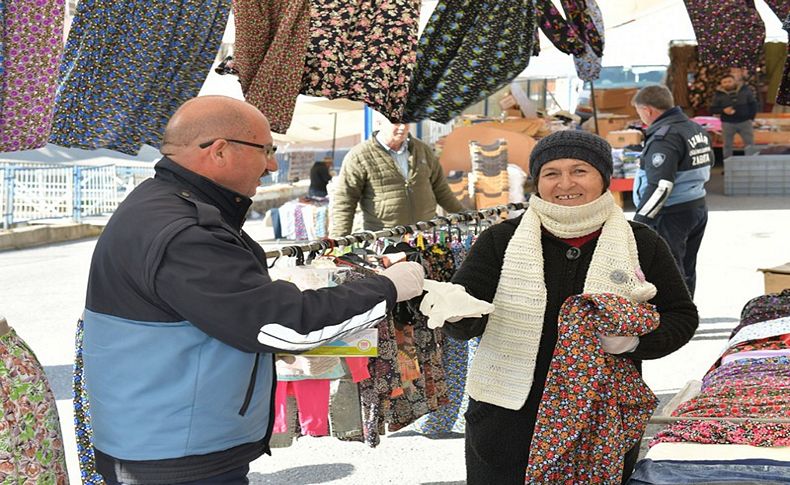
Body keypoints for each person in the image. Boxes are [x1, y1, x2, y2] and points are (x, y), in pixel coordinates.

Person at [80, 95, 425, 485]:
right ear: (220, 151)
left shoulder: (162, 204)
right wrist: (387, 288)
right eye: (266, 150)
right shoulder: (185, 233)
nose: (272, 164)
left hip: (167, 440)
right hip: (174, 454)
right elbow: (284, 324)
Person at [444, 130, 699, 484]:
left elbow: (681, 316)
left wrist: (636, 343)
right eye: (552, 173)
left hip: (601, 418)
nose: (565, 183)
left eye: (580, 170)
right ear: (538, 181)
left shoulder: (641, 242)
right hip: (508, 417)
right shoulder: (499, 240)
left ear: (603, 178)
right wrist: (454, 313)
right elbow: (465, 318)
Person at [631, 84, 713, 297]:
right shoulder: (695, 128)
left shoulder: (665, 136)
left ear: (648, 110)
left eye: (639, 112)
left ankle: (676, 322)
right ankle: (687, 316)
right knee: (686, 266)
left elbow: (661, 185)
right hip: (697, 207)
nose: (641, 117)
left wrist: (640, 222)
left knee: (668, 271)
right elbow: (709, 163)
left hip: (671, 212)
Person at [330, 120, 464, 237]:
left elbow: (442, 190)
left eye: (406, 122)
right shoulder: (359, 156)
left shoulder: (422, 150)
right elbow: (345, 201)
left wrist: (466, 217)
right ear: (379, 123)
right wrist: (338, 242)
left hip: (425, 234)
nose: (403, 127)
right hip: (384, 238)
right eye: (396, 122)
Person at [710, 71, 757, 160]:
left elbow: (753, 104)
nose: (727, 84)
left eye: (729, 81)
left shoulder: (745, 90)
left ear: (734, 81)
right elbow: (712, 109)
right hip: (728, 123)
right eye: (725, 82)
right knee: (727, 145)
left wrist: (751, 118)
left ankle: (751, 163)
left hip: (745, 122)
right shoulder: (718, 95)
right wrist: (723, 110)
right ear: (721, 84)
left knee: (750, 144)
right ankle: (728, 166)